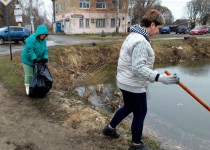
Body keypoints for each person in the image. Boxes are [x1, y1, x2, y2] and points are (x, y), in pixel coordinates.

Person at [102, 9, 179, 150]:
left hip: (124, 80)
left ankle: (109, 128)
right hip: (133, 83)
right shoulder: (141, 41)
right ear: (152, 25)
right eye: (159, 28)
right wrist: (160, 78)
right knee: (140, 112)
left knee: (128, 107)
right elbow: (138, 68)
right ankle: (136, 145)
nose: (159, 32)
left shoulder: (134, 35)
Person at [21, 24, 49, 95]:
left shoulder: (44, 40)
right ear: (38, 33)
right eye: (42, 34)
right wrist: (34, 59)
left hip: (36, 60)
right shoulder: (31, 39)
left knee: (35, 74)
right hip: (27, 60)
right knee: (29, 74)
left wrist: (45, 57)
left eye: (45, 34)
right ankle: (27, 87)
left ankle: (33, 86)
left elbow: (45, 50)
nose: (43, 36)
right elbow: (30, 50)